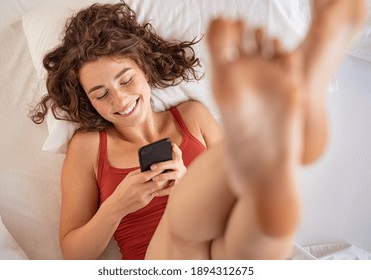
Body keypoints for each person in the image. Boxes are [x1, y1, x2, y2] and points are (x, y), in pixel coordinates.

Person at [31, 0, 367, 260]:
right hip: (159, 264)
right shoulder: (89, 146)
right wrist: (119, 204)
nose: (120, 99)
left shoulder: (191, 116)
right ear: (89, 102)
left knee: (261, 225)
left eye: (126, 80)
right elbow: (72, 254)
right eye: (101, 94)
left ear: (144, 70)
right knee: (188, 221)